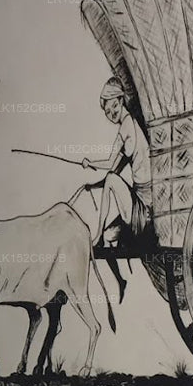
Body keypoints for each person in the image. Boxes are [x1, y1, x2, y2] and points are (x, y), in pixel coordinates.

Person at [75, 77, 155, 301]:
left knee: (110, 180)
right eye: (107, 111)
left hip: (144, 207)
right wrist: (93, 185)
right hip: (138, 202)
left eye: (113, 107)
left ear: (121, 101)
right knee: (111, 236)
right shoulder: (127, 126)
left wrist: (90, 163)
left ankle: (97, 234)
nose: (111, 114)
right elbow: (116, 171)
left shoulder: (127, 126)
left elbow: (111, 168)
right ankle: (120, 280)